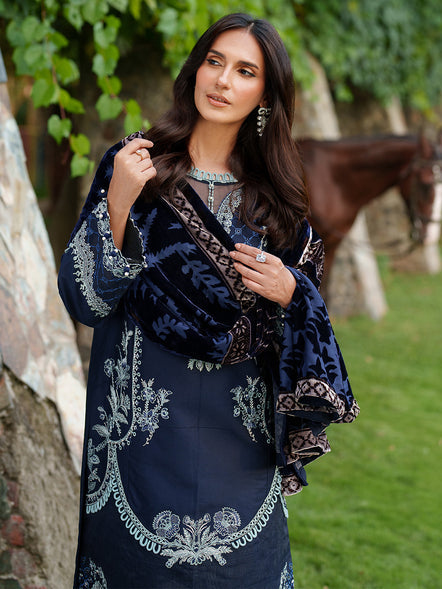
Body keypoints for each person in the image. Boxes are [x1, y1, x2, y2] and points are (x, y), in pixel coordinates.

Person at [58, 13, 359, 589]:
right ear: (195, 70)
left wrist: (292, 293)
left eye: (245, 71)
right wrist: (118, 204)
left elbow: (306, 322)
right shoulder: (135, 166)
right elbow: (83, 301)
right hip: (141, 435)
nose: (222, 80)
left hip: (239, 442)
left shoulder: (276, 202)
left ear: (265, 96)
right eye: (214, 62)